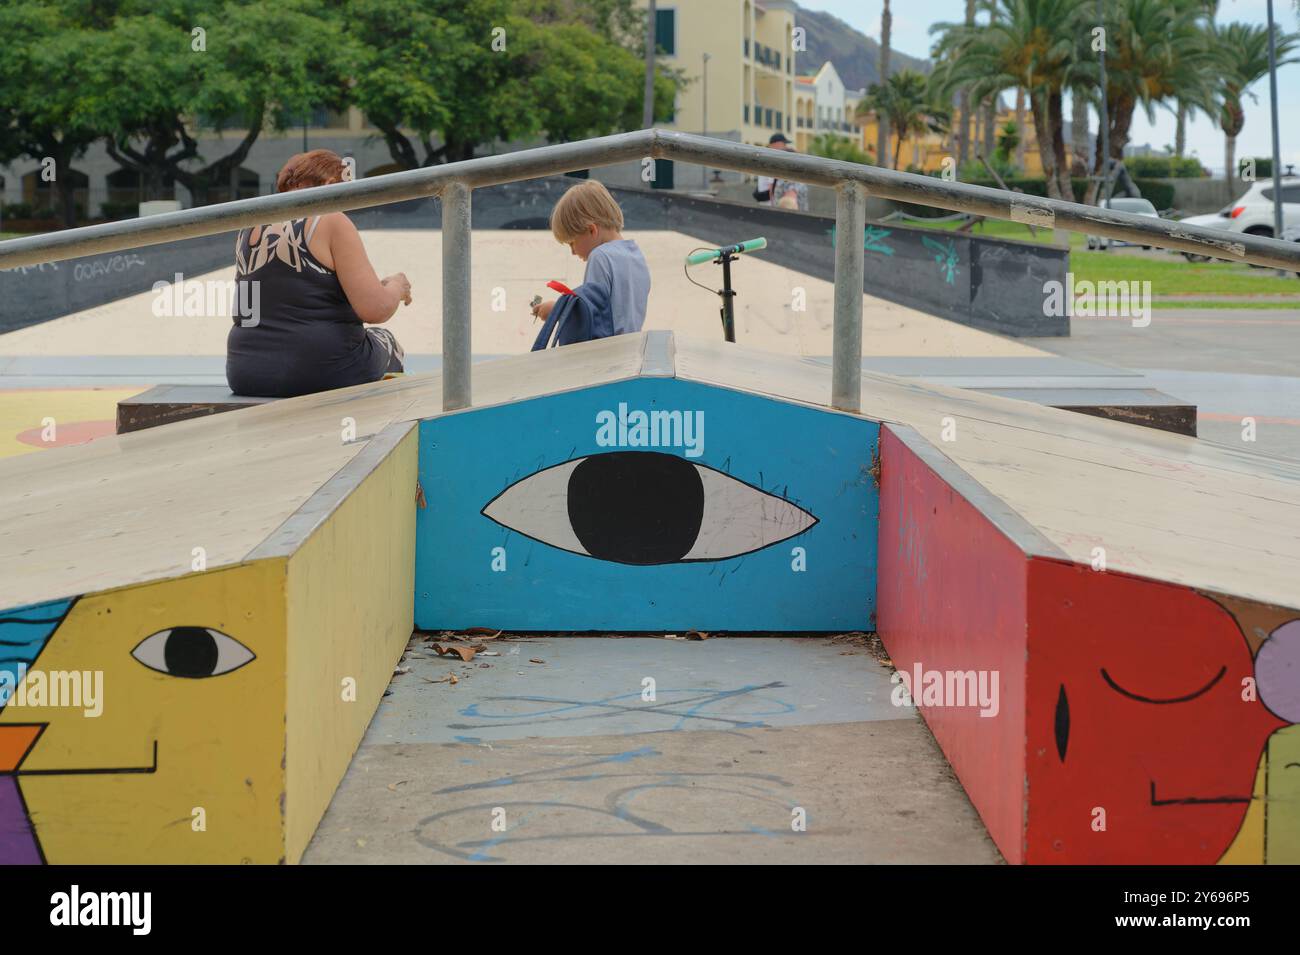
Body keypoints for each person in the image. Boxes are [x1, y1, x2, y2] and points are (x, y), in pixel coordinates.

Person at [226, 149, 410, 398]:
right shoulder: (330, 219)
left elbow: (274, 298)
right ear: (331, 184)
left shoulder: (249, 227)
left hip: (246, 371)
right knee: (387, 342)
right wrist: (396, 287)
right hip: (323, 368)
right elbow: (375, 310)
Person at [531, 180, 651, 347]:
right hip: (630, 350)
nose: (572, 252)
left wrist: (556, 311)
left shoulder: (600, 257)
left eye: (572, 242)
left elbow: (592, 317)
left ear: (592, 230)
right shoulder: (635, 254)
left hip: (605, 354)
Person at [752, 133, 809, 211]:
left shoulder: (766, 160)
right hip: (772, 207)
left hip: (771, 206)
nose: (786, 146)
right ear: (777, 144)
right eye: (784, 144)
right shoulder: (772, 162)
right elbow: (771, 190)